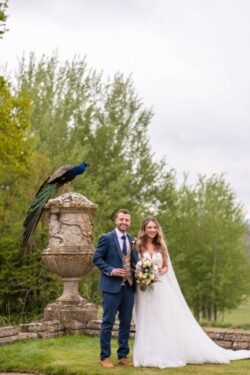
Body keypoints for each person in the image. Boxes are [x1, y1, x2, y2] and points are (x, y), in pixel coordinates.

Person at [133, 216, 250, 368]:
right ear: (144, 228)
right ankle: (147, 352)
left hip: (160, 287)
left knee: (162, 318)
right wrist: (143, 274)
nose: (152, 230)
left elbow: (166, 266)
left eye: (155, 227)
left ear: (158, 229)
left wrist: (157, 272)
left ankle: (164, 352)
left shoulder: (161, 246)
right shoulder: (139, 245)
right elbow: (135, 264)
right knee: (146, 318)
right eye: (149, 227)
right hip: (144, 289)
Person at [93, 209, 138, 368]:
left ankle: (123, 355)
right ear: (115, 220)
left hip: (129, 288)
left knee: (126, 323)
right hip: (111, 288)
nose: (124, 222)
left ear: (130, 222)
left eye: (127, 220)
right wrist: (111, 270)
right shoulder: (106, 238)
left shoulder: (133, 240)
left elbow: (134, 263)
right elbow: (96, 258)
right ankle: (105, 356)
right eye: (121, 219)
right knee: (108, 322)